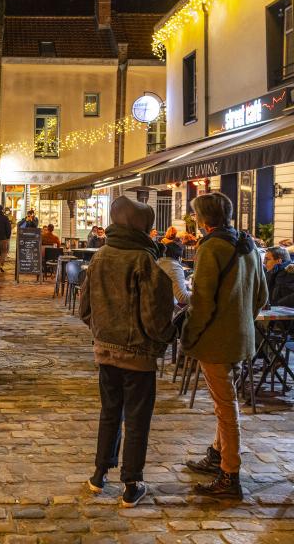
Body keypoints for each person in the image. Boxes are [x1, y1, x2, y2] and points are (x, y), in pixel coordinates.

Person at [79, 196, 174, 508]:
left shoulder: (101, 255)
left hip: (105, 351)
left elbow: (85, 309)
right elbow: (155, 315)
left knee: (110, 412)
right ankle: (132, 483)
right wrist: (162, 339)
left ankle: (98, 474)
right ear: (142, 226)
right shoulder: (144, 261)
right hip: (137, 354)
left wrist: (103, 333)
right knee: (136, 419)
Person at [181, 192, 267, 500]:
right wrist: (242, 321)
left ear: (203, 220)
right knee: (225, 400)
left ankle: (230, 474)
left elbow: (201, 302)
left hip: (217, 341)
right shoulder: (248, 247)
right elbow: (262, 297)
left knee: (225, 406)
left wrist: (188, 335)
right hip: (242, 338)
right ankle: (218, 455)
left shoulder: (212, 248)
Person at [158, 241, 190, 305]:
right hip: (166, 307)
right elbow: (182, 297)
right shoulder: (174, 267)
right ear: (179, 257)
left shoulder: (159, 262)